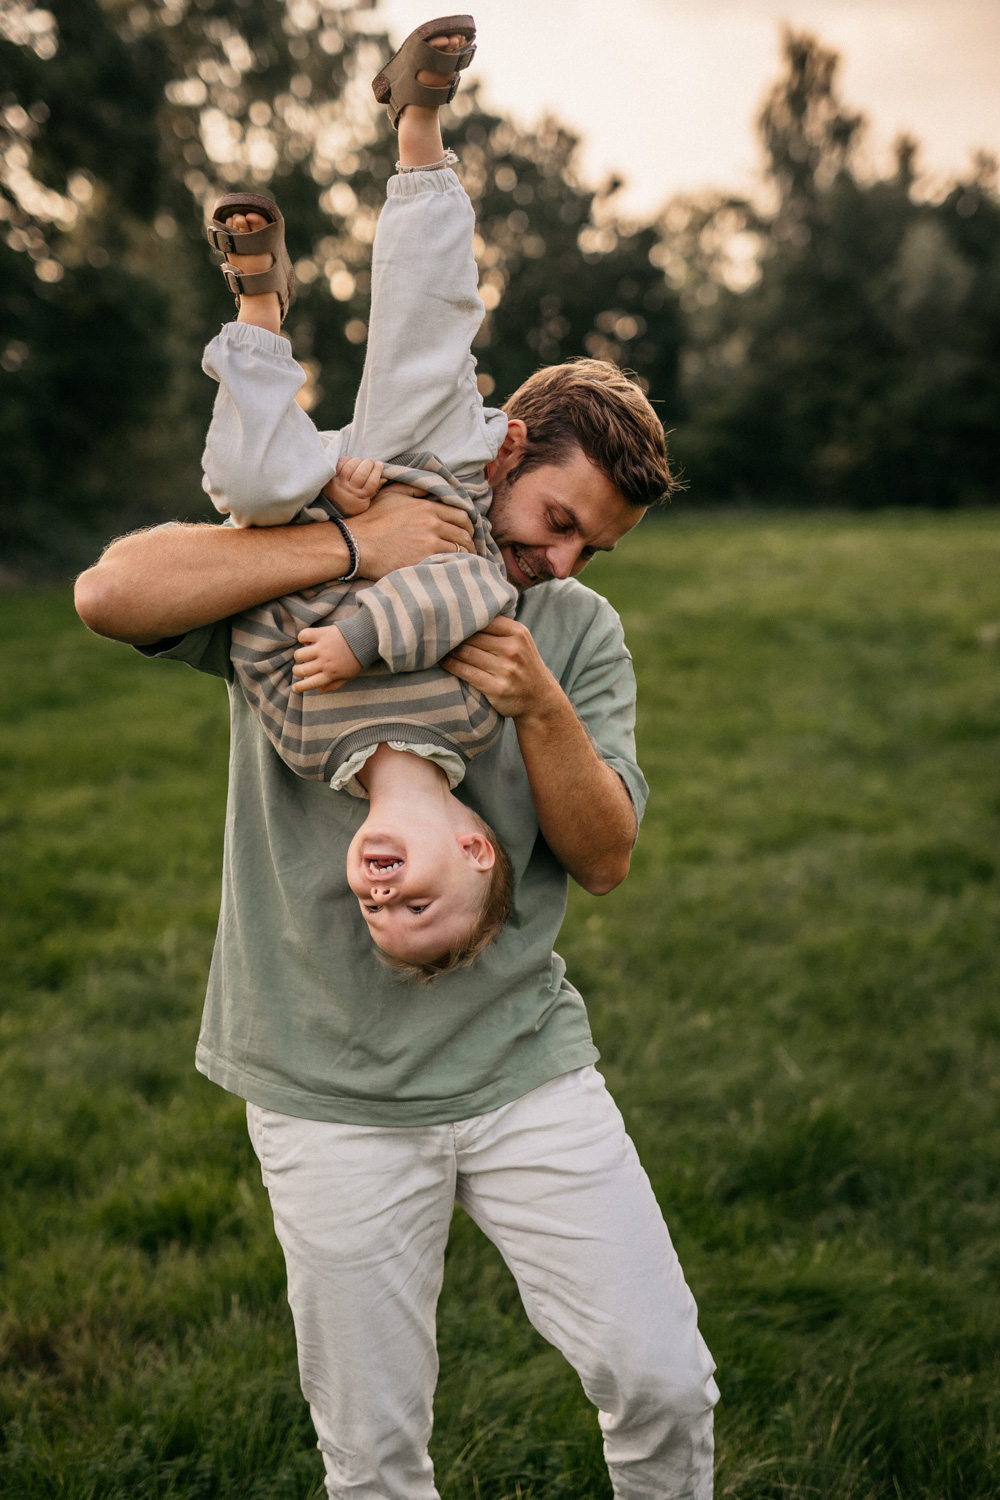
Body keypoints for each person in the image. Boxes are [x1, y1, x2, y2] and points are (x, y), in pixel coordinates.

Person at [74, 14, 719, 1496]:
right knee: (373, 1460)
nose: (561, 560)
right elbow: (110, 595)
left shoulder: (571, 631)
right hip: (324, 1081)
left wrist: (533, 698)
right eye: (557, 520)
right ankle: (286, 272)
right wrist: (353, 540)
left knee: (661, 1377)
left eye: (592, 547)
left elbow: (607, 859)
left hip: (518, 1062)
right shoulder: (328, 548)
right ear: (503, 447)